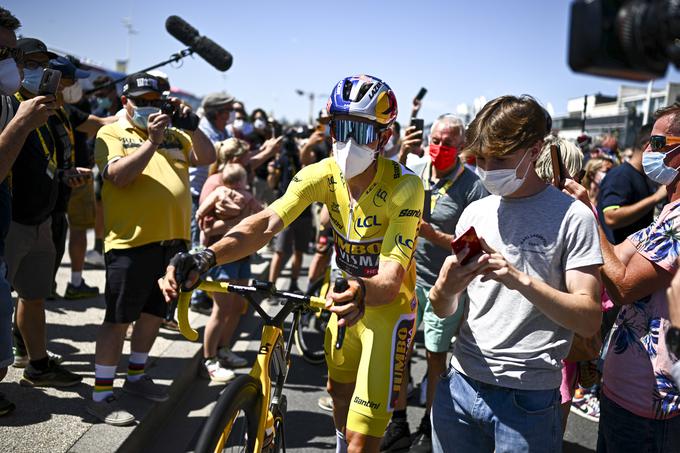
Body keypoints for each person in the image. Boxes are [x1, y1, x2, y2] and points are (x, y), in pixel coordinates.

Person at [160, 74, 424, 453]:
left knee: (362, 442)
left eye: (361, 131)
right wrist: (207, 256)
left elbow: (391, 277)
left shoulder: (406, 186)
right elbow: (267, 222)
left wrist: (362, 289)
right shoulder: (321, 174)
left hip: (386, 309)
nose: (347, 143)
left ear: (384, 137)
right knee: (337, 392)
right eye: (340, 128)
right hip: (344, 299)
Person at [429, 95, 602, 453]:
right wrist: (444, 290)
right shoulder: (475, 212)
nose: (488, 168)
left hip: (529, 400)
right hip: (460, 386)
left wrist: (517, 278)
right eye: (482, 159)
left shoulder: (573, 217)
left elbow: (588, 320)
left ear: (535, 149)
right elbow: (447, 310)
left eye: (501, 159)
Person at [88, 72, 214, 426]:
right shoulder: (111, 132)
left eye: (154, 101)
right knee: (118, 319)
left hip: (171, 243)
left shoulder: (175, 134)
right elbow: (119, 177)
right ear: (125, 102)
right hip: (131, 243)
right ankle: (100, 394)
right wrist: (151, 141)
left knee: (154, 315)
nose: (148, 107)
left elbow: (207, 156)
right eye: (141, 101)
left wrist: (192, 125)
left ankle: (137, 375)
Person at [565, 104, 680, 453]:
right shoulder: (668, 213)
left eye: (657, 142)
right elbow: (614, 257)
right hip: (627, 393)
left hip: (650, 405)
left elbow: (624, 284)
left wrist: (589, 216)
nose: (647, 151)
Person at [380, 114, 488, 453]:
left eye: (448, 143)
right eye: (436, 140)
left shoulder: (472, 185)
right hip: (406, 279)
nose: (439, 148)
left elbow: (473, 247)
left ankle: (429, 426)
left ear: (462, 148)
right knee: (400, 353)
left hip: (443, 284)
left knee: (435, 357)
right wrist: (398, 155)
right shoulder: (414, 169)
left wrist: (433, 234)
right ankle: (397, 423)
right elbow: (382, 194)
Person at [6, 37, 89, 387]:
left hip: (41, 217)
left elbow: (46, 159)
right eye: (31, 62)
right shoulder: (10, 104)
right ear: (14, 64)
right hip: (11, 217)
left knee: (34, 295)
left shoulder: (48, 107)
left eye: (44, 63)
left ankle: (37, 363)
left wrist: (65, 174)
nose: (41, 71)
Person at [0, 7, 58, 415]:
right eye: (3, 53)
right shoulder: (15, 109)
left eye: (11, 55)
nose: (10, 64)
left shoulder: (9, 103)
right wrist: (21, 124)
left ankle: (34, 362)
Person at [197, 162, 262, 382]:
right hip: (224, 256)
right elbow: (204, 223)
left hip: (242, 255)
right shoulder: (216, 190)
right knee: (221, 309)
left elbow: (261, 215)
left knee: (237, 307)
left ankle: (223, 349)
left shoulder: (240, 193)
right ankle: (209, 358)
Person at [188, 92, 234, 316]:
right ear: (217, 112)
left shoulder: (223, 130)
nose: (231, 114)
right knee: (199, 243)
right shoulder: (205, 130)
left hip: (214, 194)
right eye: (228, 110)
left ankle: (201, 291)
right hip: (199, 195)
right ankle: (195, 295)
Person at [598, 123, 666, 246]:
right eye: (663, 150)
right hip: (617, 258)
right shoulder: (621, 175)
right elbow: (611, 217)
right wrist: (656, 198)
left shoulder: (644, 177)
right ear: (648, 147)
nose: (666, 156)